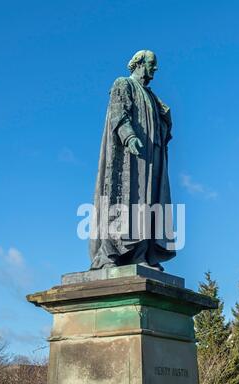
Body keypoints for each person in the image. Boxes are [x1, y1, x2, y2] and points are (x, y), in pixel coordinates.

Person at [89, 50, 176, 271]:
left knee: (149, 202)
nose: (155, 68)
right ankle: (113, 252)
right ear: (138, 64)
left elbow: (164, 124)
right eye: (151, 64)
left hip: (152, 157)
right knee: (126, 200)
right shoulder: (123, 84)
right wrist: (129, 136)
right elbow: (119, 113)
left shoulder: (152, 96)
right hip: (129, 156)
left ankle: (141, 253)